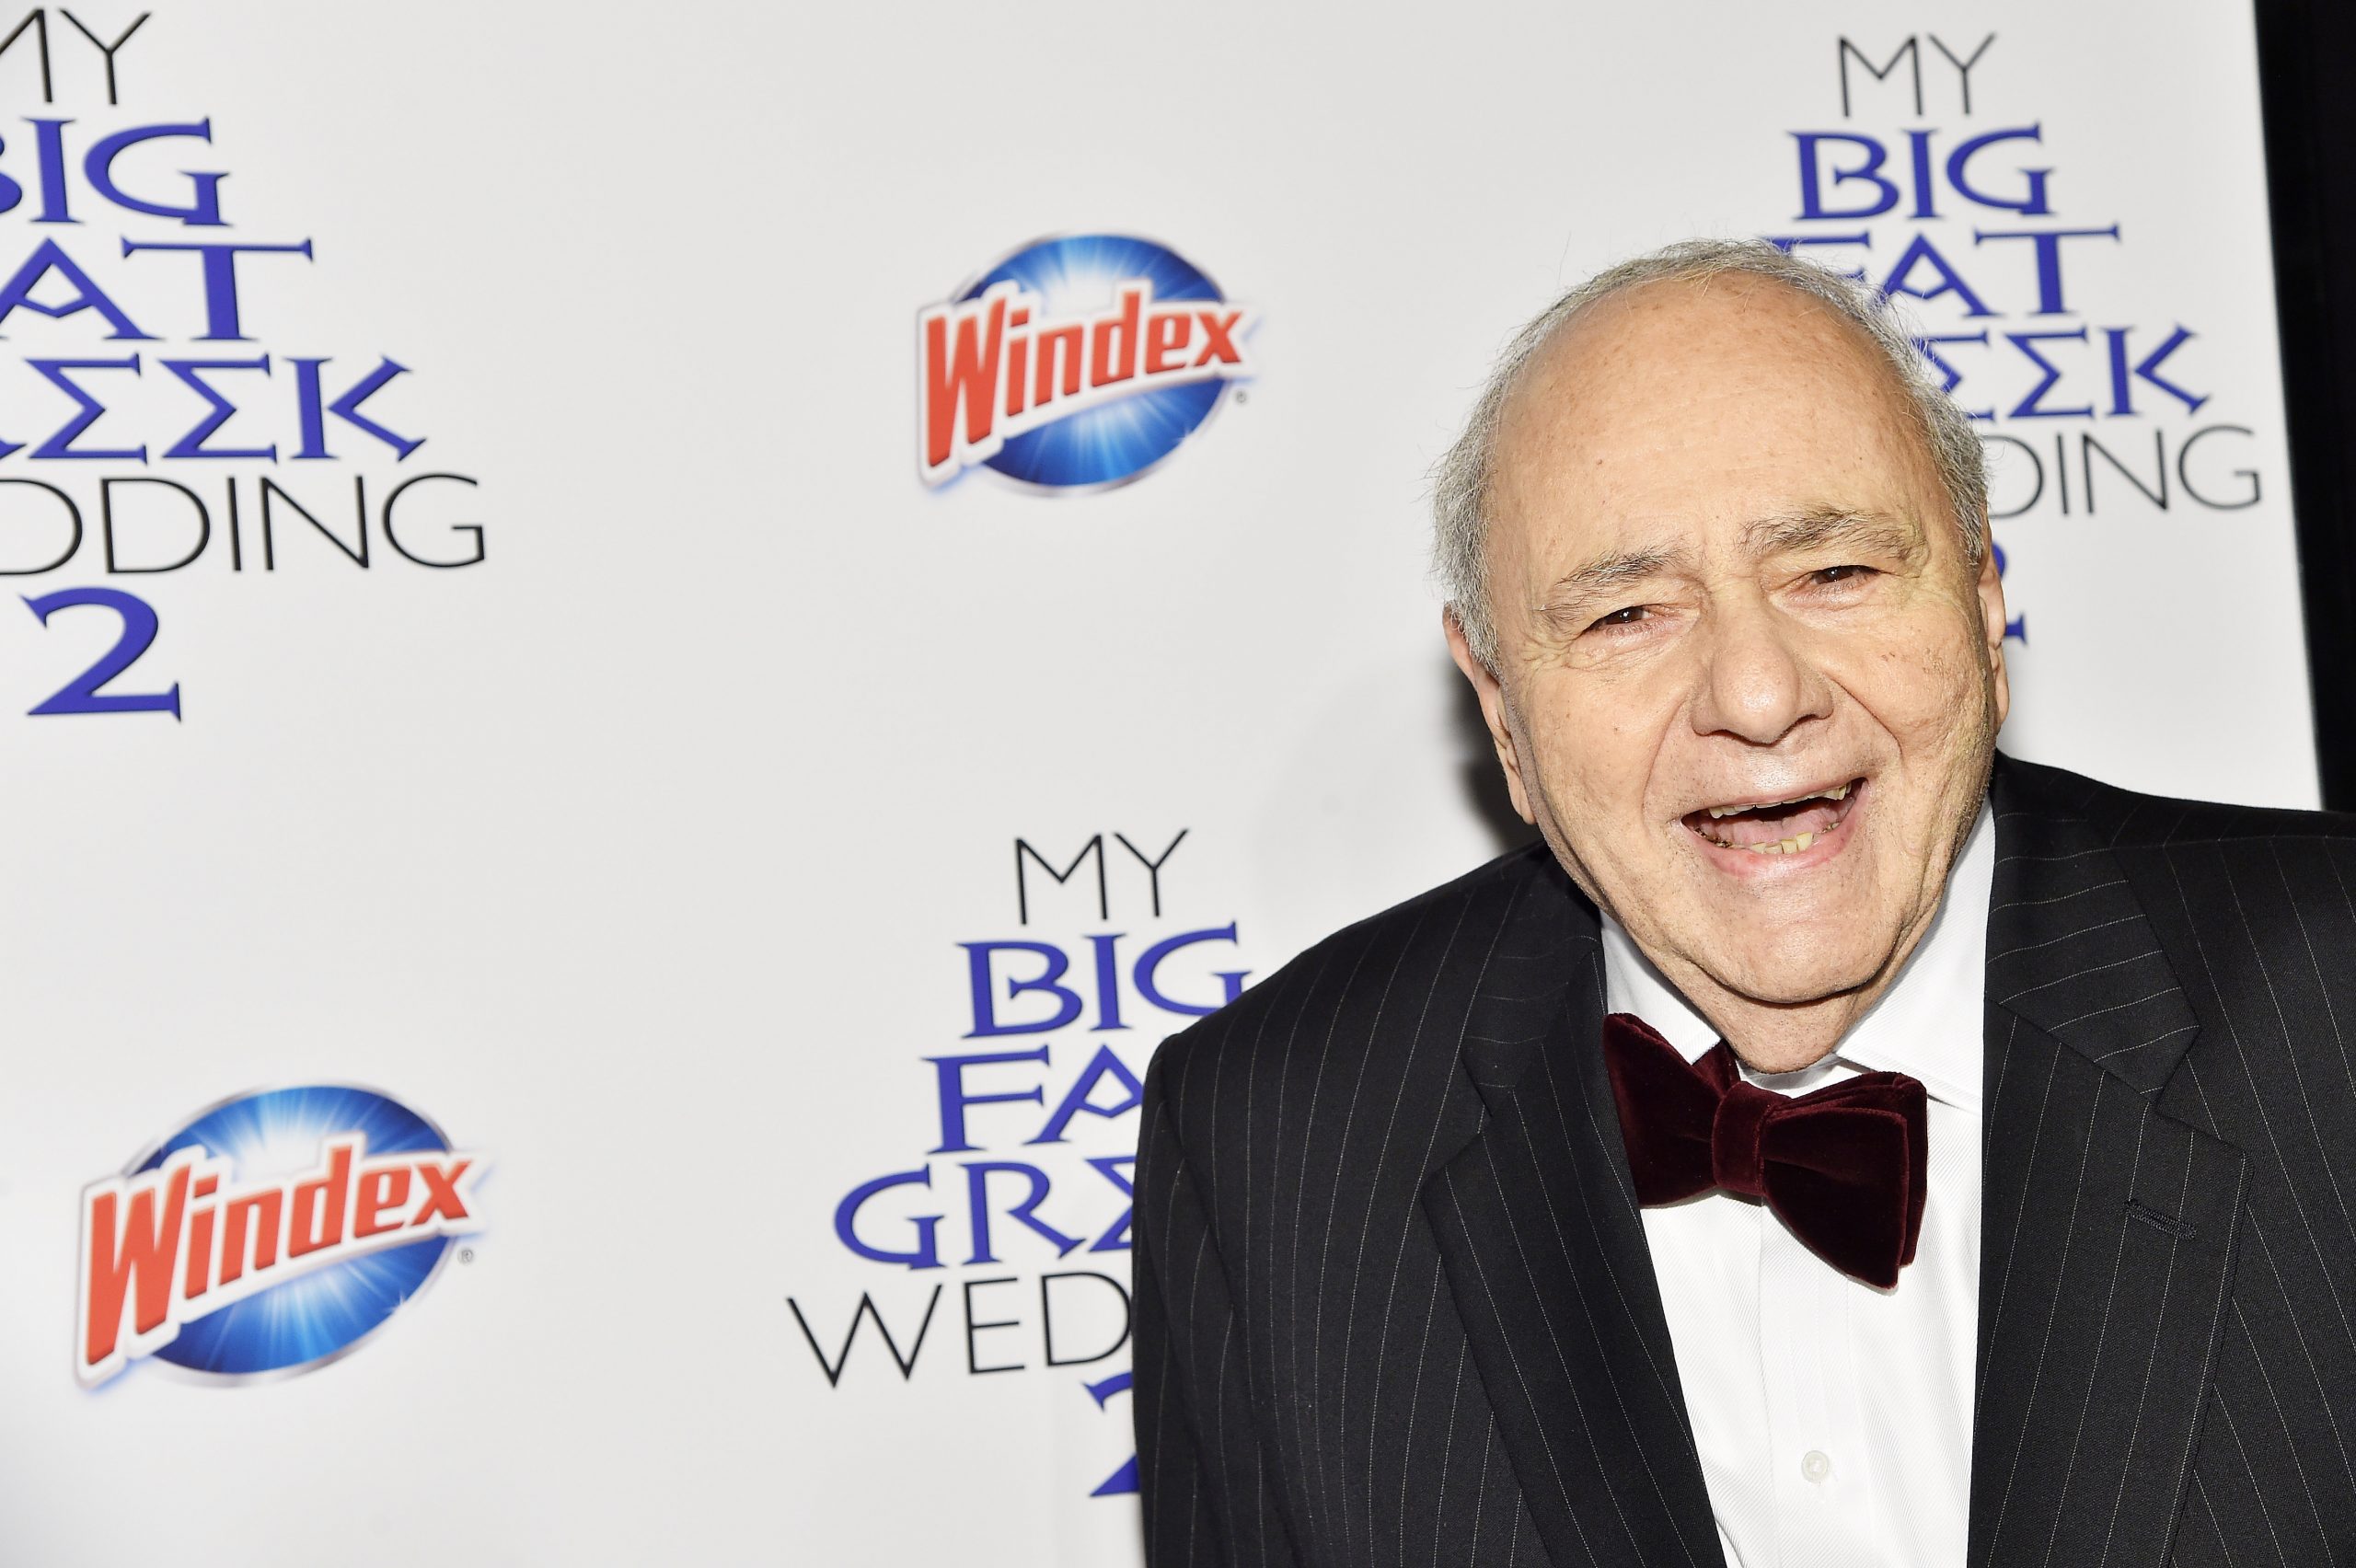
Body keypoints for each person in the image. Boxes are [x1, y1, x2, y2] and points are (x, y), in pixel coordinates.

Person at [1132, 237, 2356, 1568]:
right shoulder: (1273, 1141)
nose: (1759, 696)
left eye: (1835, 573)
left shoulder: (2333, 997)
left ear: (1985, 603)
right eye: (1626, 615)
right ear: (1500, 712)